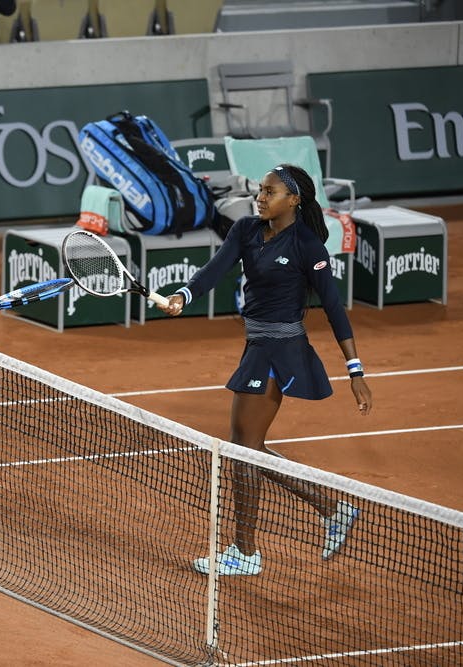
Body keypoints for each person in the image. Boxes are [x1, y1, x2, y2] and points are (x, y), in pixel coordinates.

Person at [158, 164, 373, 576]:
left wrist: (355, 370)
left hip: (282, 348)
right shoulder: (246, 230)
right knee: (246, 445)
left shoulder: (308, 246)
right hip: (257, 344)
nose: (260, 197)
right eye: (259, 190)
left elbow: (332, 307)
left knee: (242, 447)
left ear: (293, 200)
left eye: (270, 192)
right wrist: (184, 295)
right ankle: (332, 509)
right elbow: (214, 270)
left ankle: (246, 552)